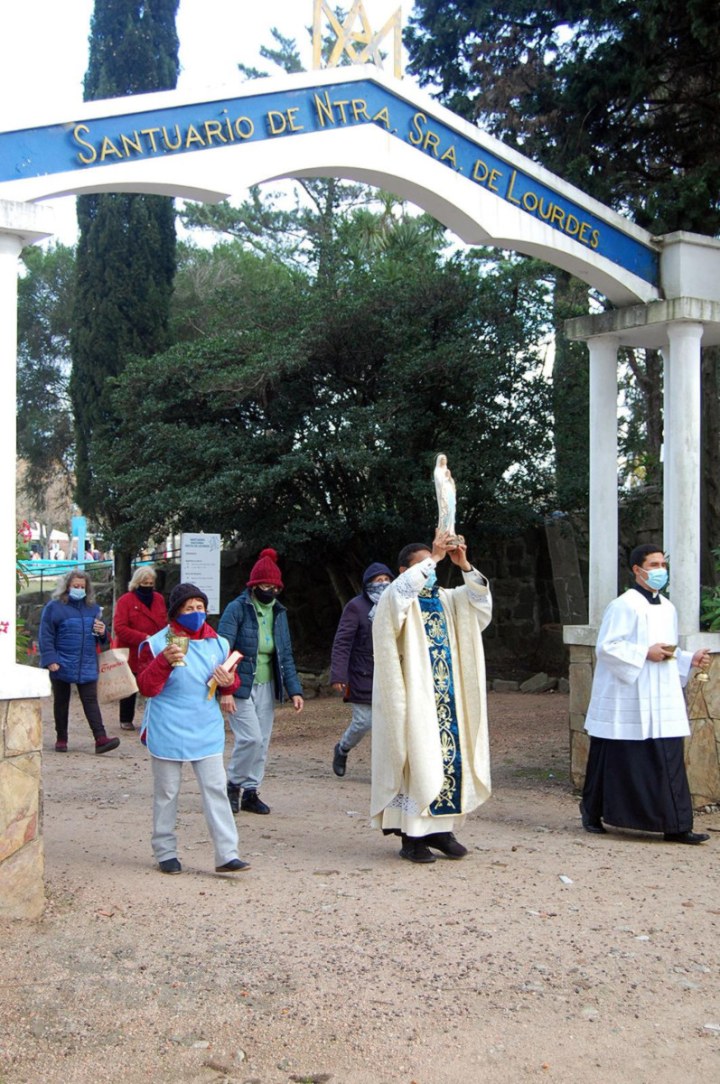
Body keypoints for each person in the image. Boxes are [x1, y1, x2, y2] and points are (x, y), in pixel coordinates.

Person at [370, 528, 493, 863]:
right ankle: (412, 839)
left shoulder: (448, 600)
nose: (431, 570)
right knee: (417, 761)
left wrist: (464, 565)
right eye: (422, 565)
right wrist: (436, 556)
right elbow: (397, 598)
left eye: (434, 565)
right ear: (403, 572)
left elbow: (480, 606)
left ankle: (440, 831)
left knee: (448, 761)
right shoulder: (395, 600)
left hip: (447, 699)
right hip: (413, 698)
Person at [580, 543, 711, 845]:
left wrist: (688, 658)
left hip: (660, 692)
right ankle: (593, 812)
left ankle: (676, 824)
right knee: (614, 754)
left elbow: (666, 649)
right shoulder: (623, 605)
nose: (660, 571)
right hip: (628, 693)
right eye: (653, 565)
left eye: (662, 565)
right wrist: (643, 653)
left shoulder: (668, 607)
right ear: (637, 570)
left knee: (667, 754)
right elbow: (607, 647)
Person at [136, 583, 249, 875]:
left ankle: (227, 853)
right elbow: (146, 687)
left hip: (206, 727)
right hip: (168, 726)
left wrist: (228, 683)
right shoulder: (156, 643)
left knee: (215, 789)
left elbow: (232, 682)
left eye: (200, 607)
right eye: (189, 608)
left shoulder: (219, 643)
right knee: (167, 792)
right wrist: (164, 662)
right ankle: (165, 851)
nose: (196, 613)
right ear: (176, 612)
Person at [218, 548, 304, 815]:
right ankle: (233, 785)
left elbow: (285, 652)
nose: (268, 590)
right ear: (253, 585)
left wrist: (294, 690)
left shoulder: (279, 612)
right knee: (250, 738)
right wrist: (225, 689)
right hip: (239, 683)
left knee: (263, 740)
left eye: (273, 586)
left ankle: (251, 791)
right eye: (263, 585)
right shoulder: (237, 608)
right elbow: (222, 649)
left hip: (268, 683)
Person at [38, 570, 120, 754]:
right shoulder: (54, 607)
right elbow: (46, 635)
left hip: (87, 661)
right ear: (67, 586)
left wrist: (102, 632)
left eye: (82, 587)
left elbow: (103, 639)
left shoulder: (93, 609)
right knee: (61, 700)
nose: (79, 589)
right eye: (76, 586)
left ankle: (101, 739)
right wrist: (50, 659)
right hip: (61, 661)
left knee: (90, 700)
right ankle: (61, 738)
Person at [330, 562, 394, 778]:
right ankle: (342, 748)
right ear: (368, 583)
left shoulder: (397, 604)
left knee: (390, 725)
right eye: (378, 580)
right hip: (361, 673)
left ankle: (385, 773)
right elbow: (343, 642)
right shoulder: (356, 606)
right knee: (364, 721)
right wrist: (339, 674)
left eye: (387, 579)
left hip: (390, 674)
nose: (383, 584)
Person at [112, 566, 168, 731]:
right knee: (130, 687)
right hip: (132, 650)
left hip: (154, 649)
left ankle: (154, 718)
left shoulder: (158, 599)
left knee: (155, 684)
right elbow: (120, 628)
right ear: (137, 583)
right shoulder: (125, 601)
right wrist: (142, 637)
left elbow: (164, 621)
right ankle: (126, 719)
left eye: (151, 583)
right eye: (144, 582)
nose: (148, 586)